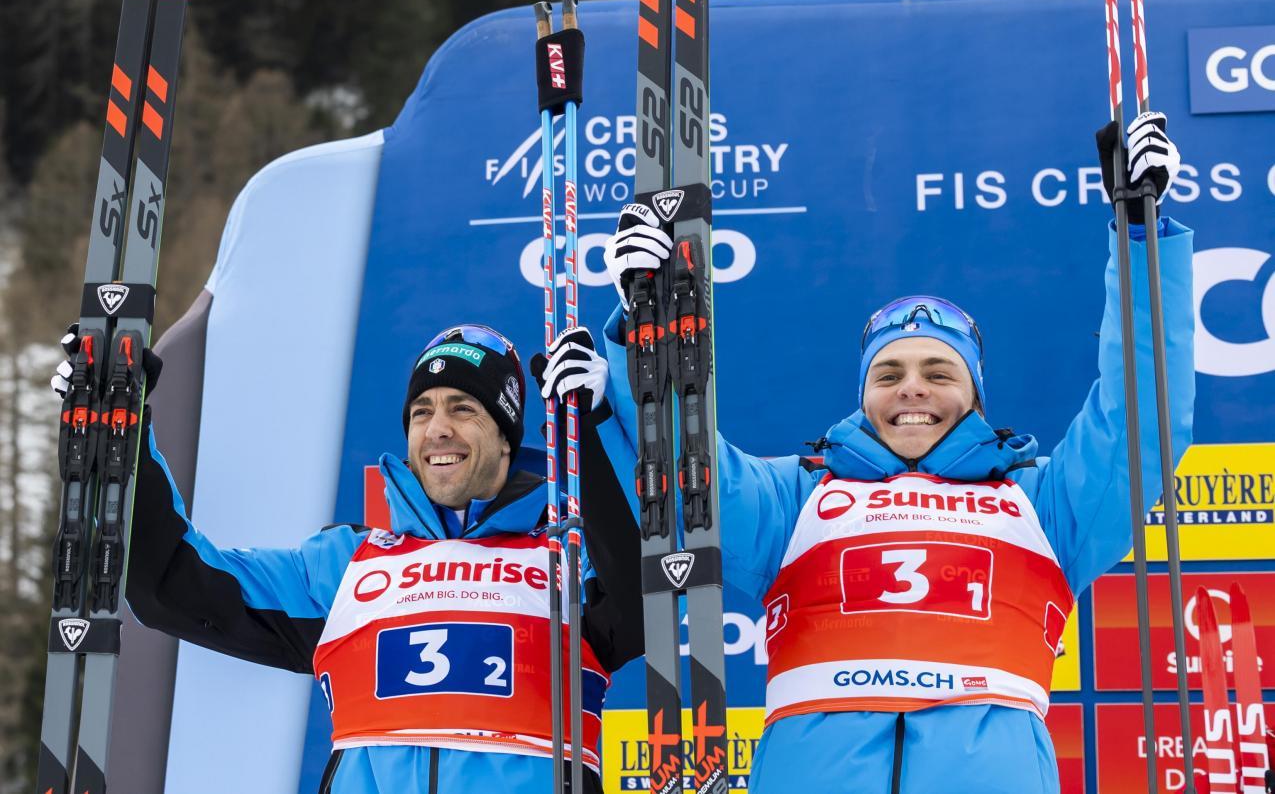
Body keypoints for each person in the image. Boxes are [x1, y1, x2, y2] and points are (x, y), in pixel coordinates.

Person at [592, 113, 1194, 793]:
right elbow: (682, 466)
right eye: (889, 374)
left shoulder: (1044, 502)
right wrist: (648, 328)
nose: (912, 389)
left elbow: (1142, 415)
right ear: (863, 393)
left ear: (975, 395)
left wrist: (1139, 239)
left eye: (939, 373)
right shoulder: (797, 496)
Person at [53, 323, 639, 794]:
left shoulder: (566, 553)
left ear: (506, 434)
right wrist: (120, 437)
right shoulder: (348, 563)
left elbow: (646, 600)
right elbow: (171, 585)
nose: (437, 429)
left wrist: (593, 423)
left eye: (464, 409)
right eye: (421, 412)